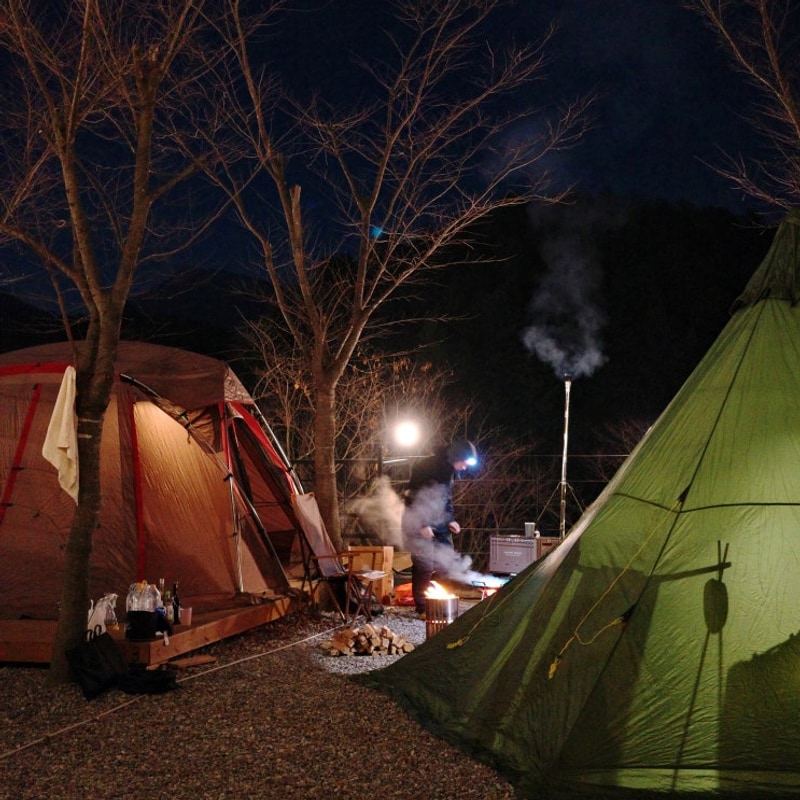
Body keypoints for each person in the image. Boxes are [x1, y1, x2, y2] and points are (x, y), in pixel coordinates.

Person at [401, 439, 478, 617]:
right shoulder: (425, 467)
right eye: (464, 464)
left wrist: (450, 519)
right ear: (455, 457)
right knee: (424, 565)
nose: (464, 468)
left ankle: (440, 600)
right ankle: (422, 606)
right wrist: (422, 525)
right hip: (418, 520)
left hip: (440, 522)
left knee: (446, 562)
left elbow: (446, 498)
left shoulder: (450, 471)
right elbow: (412, 495)